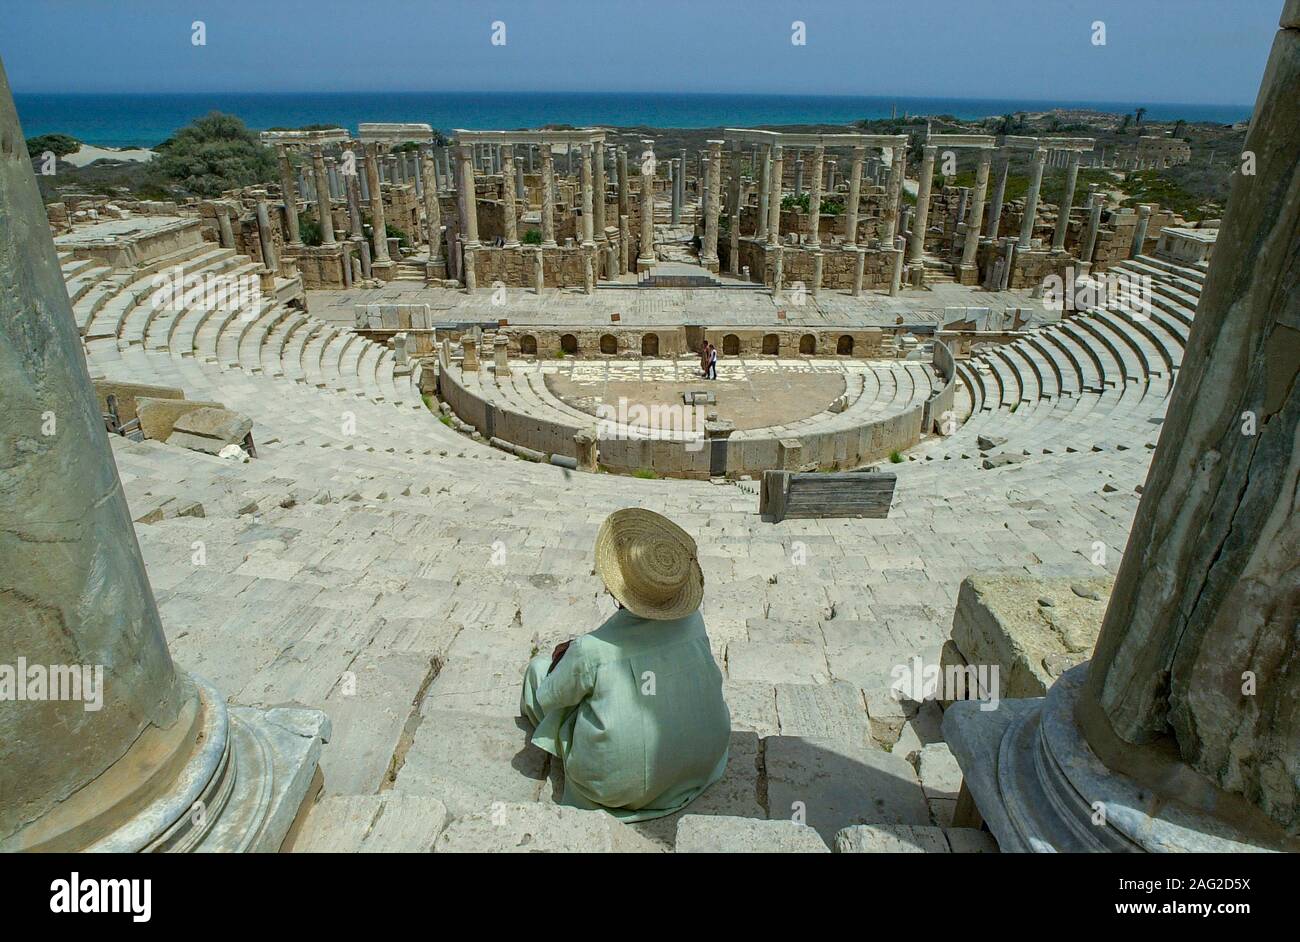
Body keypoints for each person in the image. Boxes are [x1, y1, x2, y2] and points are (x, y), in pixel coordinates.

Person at [519, 508, 731, 822]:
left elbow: (550, 697)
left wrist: (564, 659)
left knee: (538, 674)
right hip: (702, 765)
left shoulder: (591, 650)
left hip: (616, 787)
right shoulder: (694, 623)